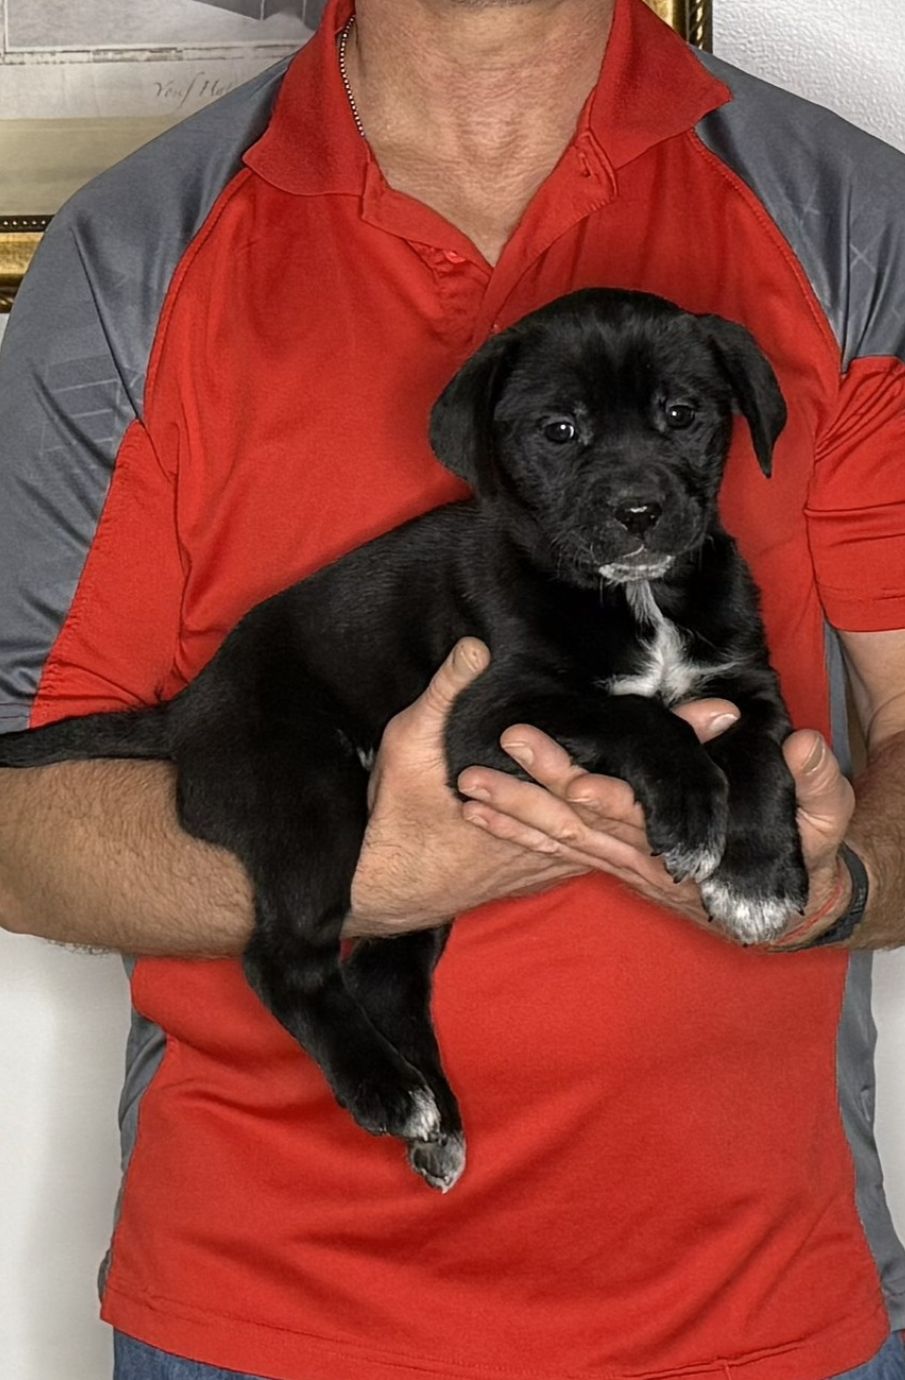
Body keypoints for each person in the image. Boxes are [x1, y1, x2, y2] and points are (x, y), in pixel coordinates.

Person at [2, 0, 905, 1376]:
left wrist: (826, 884)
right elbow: (15, 826)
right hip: (271, 1319)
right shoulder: (135, 254)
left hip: (762, 1314)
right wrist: (369, 880)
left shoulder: (846, 215)